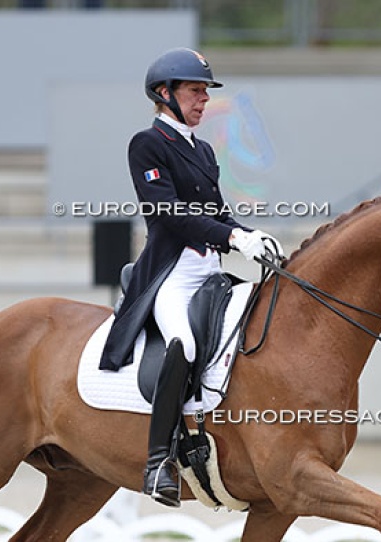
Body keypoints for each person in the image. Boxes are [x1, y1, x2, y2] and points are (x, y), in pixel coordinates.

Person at [98, 47, 282, 508]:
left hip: (210, 271)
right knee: (185, 343)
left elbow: (215, 213)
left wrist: (249, 236)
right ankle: (158, 460)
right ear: (165, 93)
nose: (203, 100)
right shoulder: (147, 144)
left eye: (205, 92)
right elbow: (170, 213)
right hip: (171, 274)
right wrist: (233, 237)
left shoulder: (202, 150)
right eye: (195, 91)